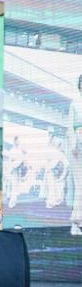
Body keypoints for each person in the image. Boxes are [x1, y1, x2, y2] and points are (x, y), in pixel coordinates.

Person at [69, 75, 82, 236]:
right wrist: (73, 145)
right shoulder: (75, 104)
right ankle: (76, 222)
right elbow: (69, 127)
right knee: (80, 185)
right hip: (78, 147)